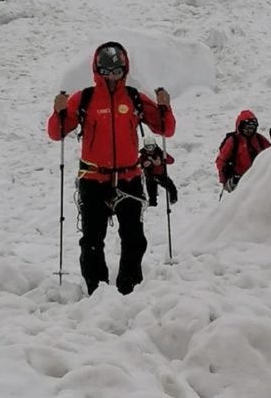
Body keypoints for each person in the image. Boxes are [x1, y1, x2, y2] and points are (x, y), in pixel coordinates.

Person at [47, 41, 176, 296]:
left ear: (125, 70)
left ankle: (129, 288)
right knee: (92, 241)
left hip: (129, 178)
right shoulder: (84, 99)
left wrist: (164, 107)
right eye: (106, 72)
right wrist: (58, 111)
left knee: (134, 239)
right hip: (93, 179)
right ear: (97, 70)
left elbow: (165, 128)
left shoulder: (134, 98)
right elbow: (56, 132)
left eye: (117, 71)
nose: (112, 77)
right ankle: (97, 291)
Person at [216, 110, 271, 193]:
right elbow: (221, 161)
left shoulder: (259, 139)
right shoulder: (233, 141)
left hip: (258, 179)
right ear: (240, 127)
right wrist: (226, 181)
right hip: (239, 182)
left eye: (252, 128)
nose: (249, 131)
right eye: (247, 128)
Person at [139, 135, 178, 207]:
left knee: (172, 188)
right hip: (150, 178)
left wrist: (162, 161)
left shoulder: (161, 153)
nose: (150, 150)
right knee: (152, 194)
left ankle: (174, 202)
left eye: (151, 147)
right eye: (148, 148)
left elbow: (172, 160)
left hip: (161, 176)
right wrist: (143, 165)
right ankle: (153, 206)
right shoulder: (143, 156)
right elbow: (137, 165)